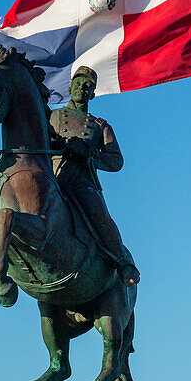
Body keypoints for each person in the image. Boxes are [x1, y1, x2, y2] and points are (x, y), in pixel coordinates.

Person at [49, 65, 140, 286]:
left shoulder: (101, 126)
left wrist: (89, 156)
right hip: (49, 176)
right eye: (78, 84)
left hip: (80, 181)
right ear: (70, 88)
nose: (82, 88)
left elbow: (116, 161)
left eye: (88, 86)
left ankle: (122, 261)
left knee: (99, 215)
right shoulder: (51, 116)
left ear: (93, 93)